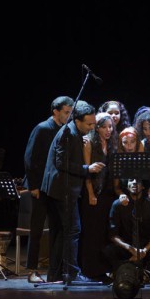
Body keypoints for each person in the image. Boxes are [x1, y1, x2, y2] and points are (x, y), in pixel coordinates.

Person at [41, 100, 105, 283]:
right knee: (73, 230)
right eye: (89, 124)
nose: (92, 127)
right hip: (62, 190)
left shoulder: (74, 132)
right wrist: (87, 168)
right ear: (77, 121)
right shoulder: (68, 133)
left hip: (63, 189)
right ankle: (72, 274)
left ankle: (56, 274)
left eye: (94, 124)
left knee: (64, 232)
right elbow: (62, 163)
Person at [22, 95, 74, 283]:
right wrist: (34, 186)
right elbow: (30, 159)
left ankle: (55, 271)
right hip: (39, 187)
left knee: (57, 227)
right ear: (56, 111)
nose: (69, 116)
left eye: (70, 113)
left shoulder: (64, 130)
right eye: (66, 113)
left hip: (54, 186)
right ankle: (32, 270)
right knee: (36, 228)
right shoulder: (43, 128)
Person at [102, 178, 150, 278]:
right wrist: (130, 249)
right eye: (130, 180)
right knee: (108, 251)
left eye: (138, 180)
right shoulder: (117, 205)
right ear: (126, 186)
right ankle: (126, 268)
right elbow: (113, 234)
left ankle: (147, 272)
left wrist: (144, 251)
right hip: (127, 248)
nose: (134, 182)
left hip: (145, 249)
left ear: (143, 186)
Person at [78, 112, 117, 282]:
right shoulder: (88, 143)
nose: (108, 130)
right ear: (97, 128)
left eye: (110, 127)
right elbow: (87, 171)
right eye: (104, 127)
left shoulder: (111, 144)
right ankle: (90, 270)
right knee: (91, 232)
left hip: (108, 193)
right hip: (93, 193)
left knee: (103, 232)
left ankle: (103, 269)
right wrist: (91, 194)